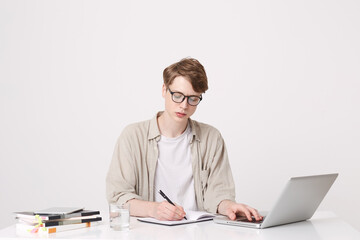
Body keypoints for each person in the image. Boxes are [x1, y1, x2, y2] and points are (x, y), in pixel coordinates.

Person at [106, 57, 262, 222]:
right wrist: (154, 209)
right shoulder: (132, 136)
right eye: (178, 95)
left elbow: (218, 195)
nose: (184, 105)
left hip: (199, 233)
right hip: (148, 234)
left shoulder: (211, 138)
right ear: (164, 90)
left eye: (193, 98)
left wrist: (228, 206)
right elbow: (118, 197)